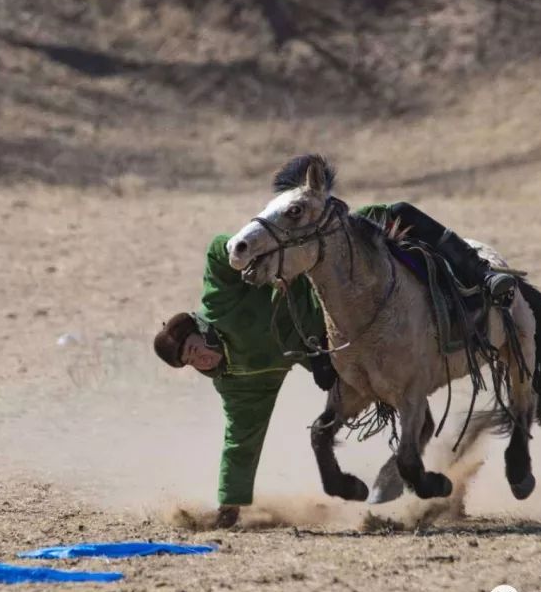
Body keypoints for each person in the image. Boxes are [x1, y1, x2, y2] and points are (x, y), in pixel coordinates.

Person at [153, 202, 514, 528]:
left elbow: (218, 252)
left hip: (329, 295)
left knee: (389, 213)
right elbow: (240, 441)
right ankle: (414, 442)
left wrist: (242, 250)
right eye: (189, 361)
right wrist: (229, 504)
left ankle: (480, 275)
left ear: (201, 329)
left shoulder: (219, 302)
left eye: (193, 347)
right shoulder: (236, 381)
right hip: (326, 347)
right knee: (360, 387)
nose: (198, 358)